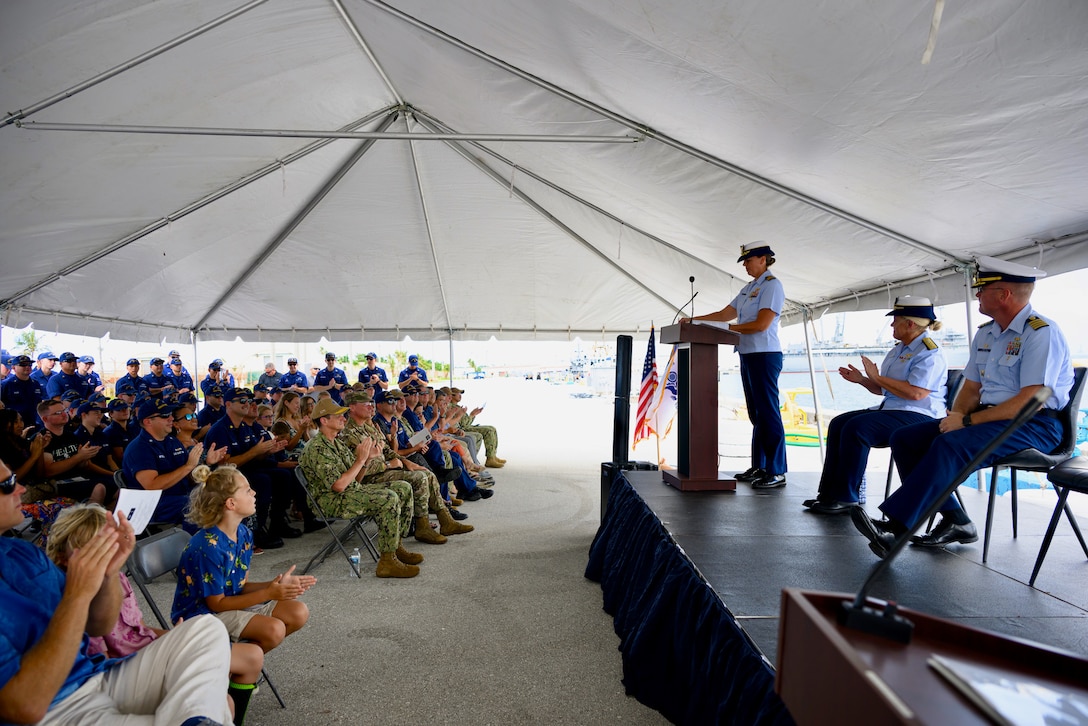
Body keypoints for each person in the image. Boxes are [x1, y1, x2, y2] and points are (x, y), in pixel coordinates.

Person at [851, 256, 1074, 558]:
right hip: (990, 418)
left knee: (950, 444)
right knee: (905, 438)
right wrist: (958, 415)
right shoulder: (986, 332)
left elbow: (1029, 402)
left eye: (981, 289)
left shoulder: (1041, 333)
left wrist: (967, 424)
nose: (976, 295)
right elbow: (971, 387)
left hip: (1036, 425)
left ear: (1003, 295)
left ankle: (897, 528)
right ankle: (958, 520)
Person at [0, 459, 234, 725]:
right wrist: (77, 594)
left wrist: (107, 575)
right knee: (216, 705)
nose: (20, 489)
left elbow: (99, 625)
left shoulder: (22, 552)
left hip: (96, 678)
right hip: (53, 710)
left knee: (206, 628)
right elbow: (25, 706)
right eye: (7, 484)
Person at [45, 503, 264, 724]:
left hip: (145, 649)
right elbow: (105, 661)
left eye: (108, 543)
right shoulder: (67, 595)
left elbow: (138, 628)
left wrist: (173, 638)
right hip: (124, 671)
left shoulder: (116, 579)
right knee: (223, 700)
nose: (102, 554)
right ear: (63, 556)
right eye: (91, 548)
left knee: (247, 654)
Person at [803, 297, 948, 513]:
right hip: (894, 410)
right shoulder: (898, 350)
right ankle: (830, 494)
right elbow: (886, 390)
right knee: (839, 423)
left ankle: (846, 497)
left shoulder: (929, 352)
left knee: (858, 428)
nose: (891, 325)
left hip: (920, 415)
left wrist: (878, 378)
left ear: (910, 323)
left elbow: (916, 393)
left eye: (895, 320)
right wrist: (862, 379)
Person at [172, 464, 314, 664]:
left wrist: (275, 585)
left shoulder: (244, 534)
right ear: (231, 503)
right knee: (274, 630)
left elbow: (240, 587)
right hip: (202, 617)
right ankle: (234, 669)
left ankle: (238, 663)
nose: (254, 493)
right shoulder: (207, 547)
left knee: (298, 612)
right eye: (248, 490)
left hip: (229, 604)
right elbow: (217, 604)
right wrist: (268, 594)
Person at [683, 241, 787, 489]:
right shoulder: (749, 288)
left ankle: (777, 469)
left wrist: (726, 328)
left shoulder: (772, 287)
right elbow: (724, 314)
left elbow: (761, 325)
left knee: (768, 412)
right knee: (756, 414)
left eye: (749, 261)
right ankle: (760, 466)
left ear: (763, 259)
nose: (746, 266)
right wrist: (695, 322)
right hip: (748, 353)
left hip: (765, 354)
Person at [299, 398, 423, 578]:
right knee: (389, 498)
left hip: (350, 492)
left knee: (403, 488)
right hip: (332, 501)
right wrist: (360, 460)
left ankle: (395, 547)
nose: (343, 418)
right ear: (324, 421)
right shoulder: (317, 448)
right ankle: (387, 562)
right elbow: (339, 486)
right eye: (338, 415)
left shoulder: (336, 442)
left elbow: (356, 478)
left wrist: (367, 460)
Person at [341, 390, 472, 540]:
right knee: (419, 478)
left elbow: (388, 451)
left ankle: (444, 520)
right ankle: (422, 526)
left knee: (426, 473)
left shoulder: (368, 428)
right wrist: (388, 465)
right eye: (366, 404)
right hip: (369, 477)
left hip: (385, 470)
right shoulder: (348, 434)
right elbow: (357, 469)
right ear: (352, 407)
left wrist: (405, 462)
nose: (371, 407)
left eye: (372, 403)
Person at [123, 398, 226, 525]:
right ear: (147, 421)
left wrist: (207, 463)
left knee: (225, 494)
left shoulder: (172, 442)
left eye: (170, 414)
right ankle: (204, 544)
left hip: (181, 496)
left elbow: (188, 477)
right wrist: (188, 467)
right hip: (153, 505)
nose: (171, 418)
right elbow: (152, 486)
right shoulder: (139, 449)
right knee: (196, 504)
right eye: (165, 415)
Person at [0, 354, 46, 428]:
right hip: (14, 425)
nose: (27, 367)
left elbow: (40, 402)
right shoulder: (6, 385)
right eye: (23, 365)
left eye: (29, 364)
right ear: (14, 368)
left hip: (34, 423)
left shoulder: (35, 384)